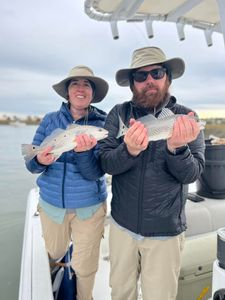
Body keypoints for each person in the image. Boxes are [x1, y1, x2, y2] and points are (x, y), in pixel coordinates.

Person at [98, 47, 205, 300]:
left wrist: (177, 149)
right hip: (122, 226)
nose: (149, 81)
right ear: (132, 84)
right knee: (121, 293)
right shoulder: (118, 114)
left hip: (165, 232)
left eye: (156, 73)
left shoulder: (186, 119)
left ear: (168, 77)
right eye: (140, 76)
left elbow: (192, 174)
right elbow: (104, 163)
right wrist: (129, 150)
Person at [25, 65, 109, 300]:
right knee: (55, 250)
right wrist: (39, 160)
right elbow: (31, 165)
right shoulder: (50, 121)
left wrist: (84, 153)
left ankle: (84, 296)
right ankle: (60, 267)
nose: (81, 89)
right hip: (52, 206)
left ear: (93, 93)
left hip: (89, 208)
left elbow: (96, 173)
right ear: (67, 92)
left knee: (85, 267)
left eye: (87, 85)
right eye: (75, 83)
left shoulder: (102, 125)